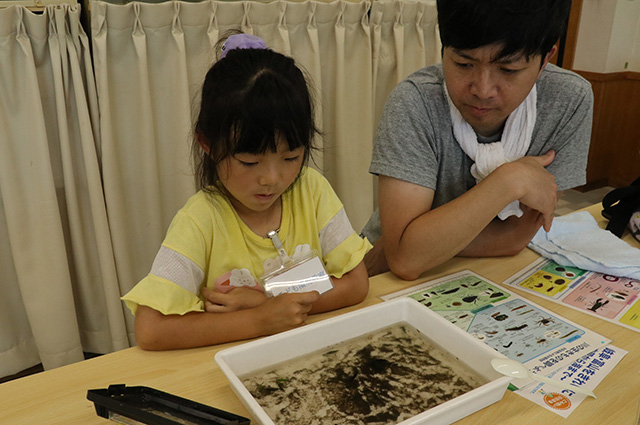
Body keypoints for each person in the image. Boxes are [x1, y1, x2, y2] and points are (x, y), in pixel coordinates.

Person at [122, 34, 371, 350]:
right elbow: (150, 328)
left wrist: (267, 298)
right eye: (249, 161)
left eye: (291, 158)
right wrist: (260, 320)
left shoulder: (312, 190)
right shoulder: (201, 219)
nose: (271, 179)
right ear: (207, 145)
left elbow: (355, 283)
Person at [361, 0, 593, 280]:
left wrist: (419, 243)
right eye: (463, 63)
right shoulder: (415, 102)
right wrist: (510, 180)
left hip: (485, 274)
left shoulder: (569, 100)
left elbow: (516, 238)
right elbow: (405, 260)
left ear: (546, 58)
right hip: (379, 274)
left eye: (509, 70)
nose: (482, 90)